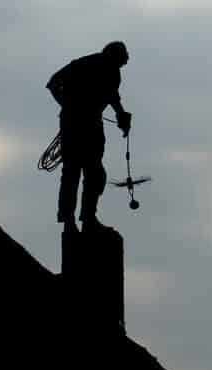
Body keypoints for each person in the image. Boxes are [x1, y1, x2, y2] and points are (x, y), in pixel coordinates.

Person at [46, 41, 131, 233]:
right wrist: (68, 106)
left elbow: (112, 96)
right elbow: (53, 83)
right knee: (73, 172)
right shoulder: (84, 64)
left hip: (92, 124)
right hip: (74, 125)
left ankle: (87, 218)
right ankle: (70, 222)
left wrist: (121, 116)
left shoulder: (112, 72)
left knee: (94, 174)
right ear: (113, 56)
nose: (122, 65)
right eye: (121, 60)